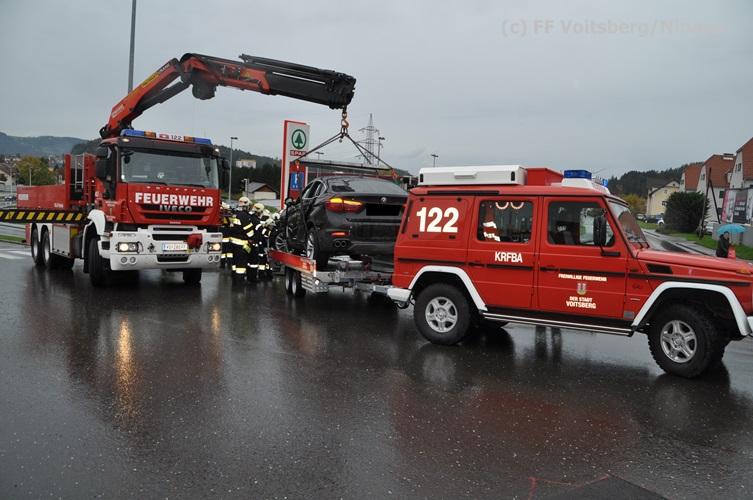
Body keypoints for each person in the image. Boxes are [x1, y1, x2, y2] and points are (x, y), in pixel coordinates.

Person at [230, 197, 253, 282]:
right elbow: (249, 232)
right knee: (241, 264)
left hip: (233, 242)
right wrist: (252, 238)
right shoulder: (244, 216)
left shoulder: (234, 214)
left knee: (235, 262)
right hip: (241, 243)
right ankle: (239, 281)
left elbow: (232, 227)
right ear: (246, 206)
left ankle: (234, 278)